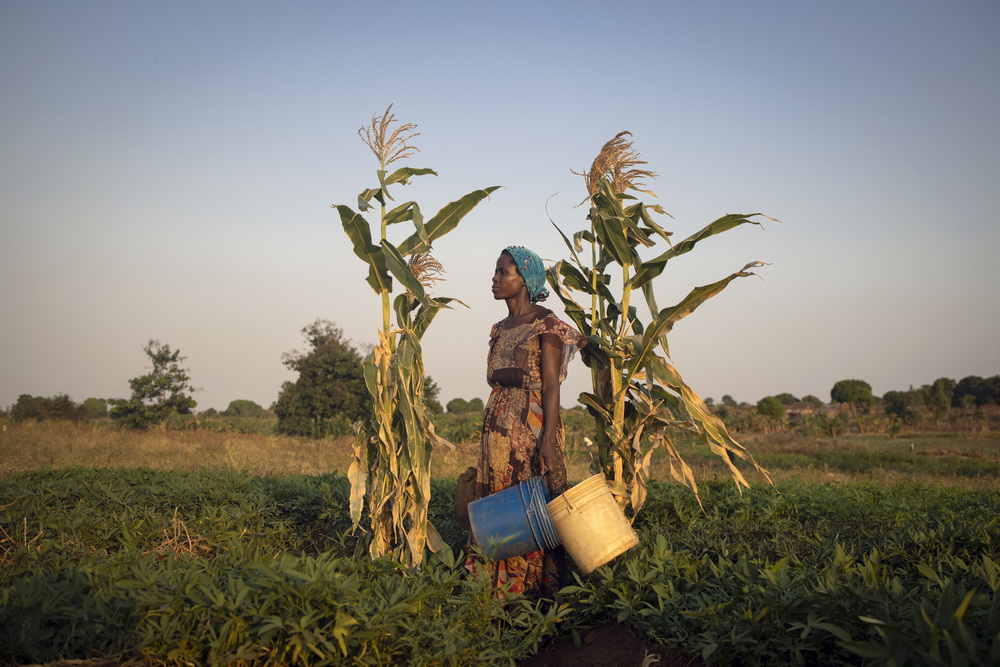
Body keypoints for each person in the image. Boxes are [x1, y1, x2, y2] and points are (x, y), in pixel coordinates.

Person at [466, 245, 588, 600]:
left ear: (525, 279)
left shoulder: (545, 324)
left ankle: (531, 594)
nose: (495, 278)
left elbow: (551, 385)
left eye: (504, 272)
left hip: (530, 429)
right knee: (499, 505)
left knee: (531, 506)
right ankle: (494, 592)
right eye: (496, 271)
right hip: (497, 426)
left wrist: (547, 440)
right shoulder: (500, 327)